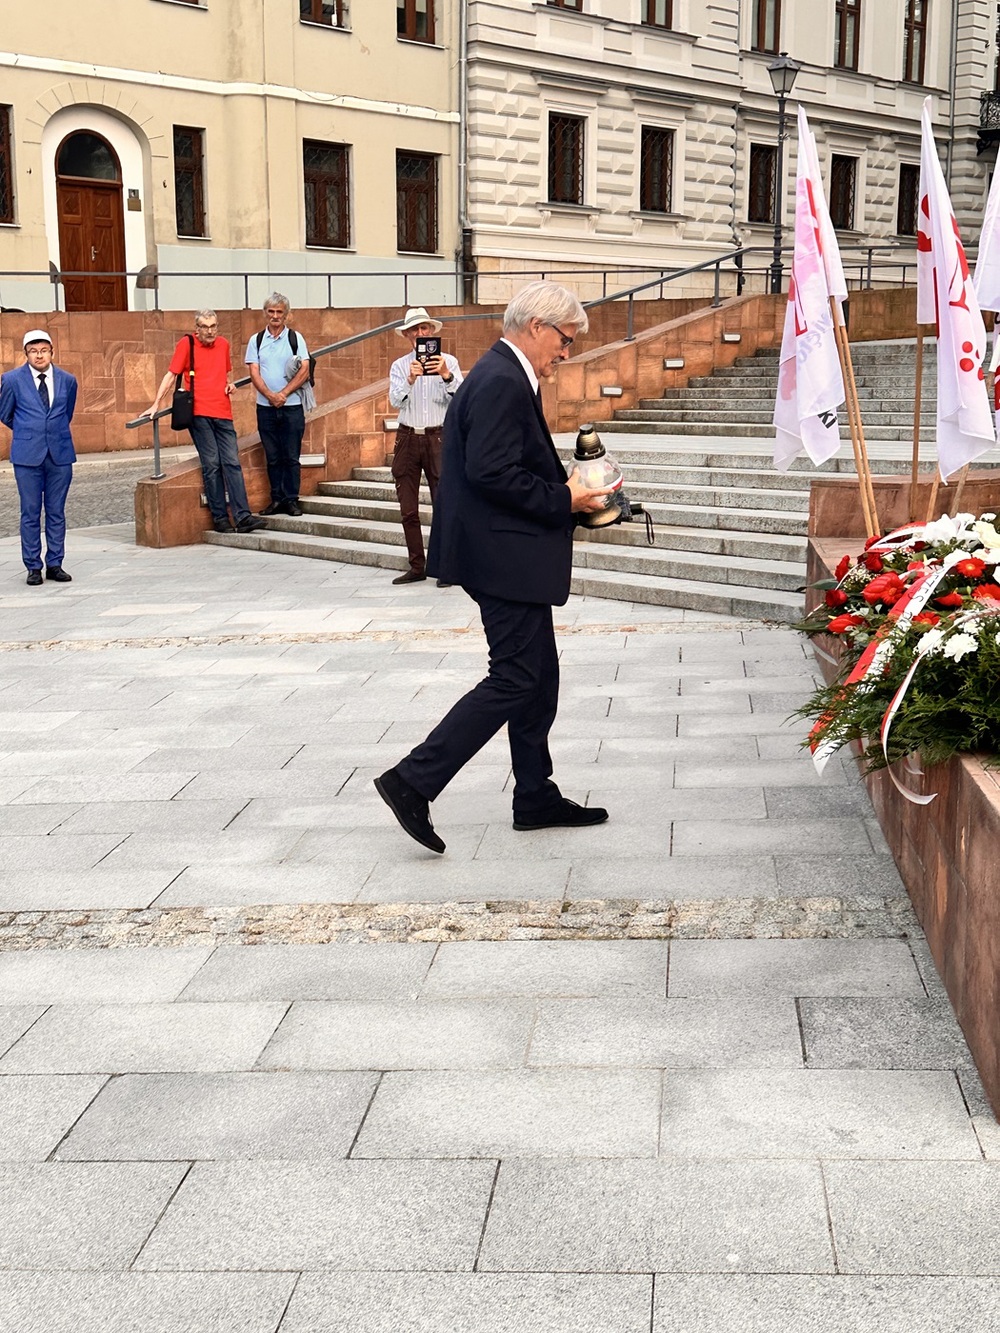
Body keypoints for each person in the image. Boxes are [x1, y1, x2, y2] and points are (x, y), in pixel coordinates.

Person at [374, 281, 611, 855]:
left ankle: (534, 795)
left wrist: (568, 494)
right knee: (515, 677)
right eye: (565, 339)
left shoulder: (502, 373)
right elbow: (493, 473)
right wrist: (566, 498)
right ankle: (413, 780)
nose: (567, 351)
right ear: (536, 327)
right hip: (501, 557)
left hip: (505, 553)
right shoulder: (503, 379)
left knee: (539, 676)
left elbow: (500, 467)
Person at [143, 310, 266, 535]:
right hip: (199, 413)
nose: (210, 331)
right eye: (205, 327)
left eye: (213, 326)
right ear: (197, 329)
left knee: (232, 463)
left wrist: (230, 384)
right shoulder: (186, 344)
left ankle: (243, 517)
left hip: (223, 412)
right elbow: (171, 375)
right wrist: (156, 404)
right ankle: (220, 518)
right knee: (212, 464)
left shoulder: (223, 344)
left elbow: (224, 373)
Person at [387, 306, 463, 585]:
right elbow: (395, 401)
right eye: (415, 329)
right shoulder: (400, 366)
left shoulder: (449, 362)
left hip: (438, 437)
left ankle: (446, 568)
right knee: (408, 508)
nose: (420, 333)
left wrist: (446, 375)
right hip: (408, 436)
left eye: (424, 328)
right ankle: (417, 566)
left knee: (443, 504)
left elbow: (462, 399)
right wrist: (410, 379)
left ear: (431, 331)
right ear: (407, 335)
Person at [0, 329, 77, 586]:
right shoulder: (12, 380)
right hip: (27, 456)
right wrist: (29, 431)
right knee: (30, 512)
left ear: (52, 352)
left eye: (44, 350)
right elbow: (5, 413)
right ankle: (33, 566)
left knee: (56, 511)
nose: (39, 355)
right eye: (33, 351)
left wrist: (50, 432)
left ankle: (55, 563)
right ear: (26, 354)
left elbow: (66, 413)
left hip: (59, 454)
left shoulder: (67, 380)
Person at [245, 293, 311, 517]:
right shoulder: (256, 340)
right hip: (265, 408)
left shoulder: (295, 338)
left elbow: (304, 369)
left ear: (286, 315)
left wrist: (283, 394)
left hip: (292, 406)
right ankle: (276, 499)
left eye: (279, 312)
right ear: (265, 313)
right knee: (272, 456)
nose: (275, 316)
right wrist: (270, 396)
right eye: (271, 312)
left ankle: (291, 500)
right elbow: (254, 372)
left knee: (291, 456)